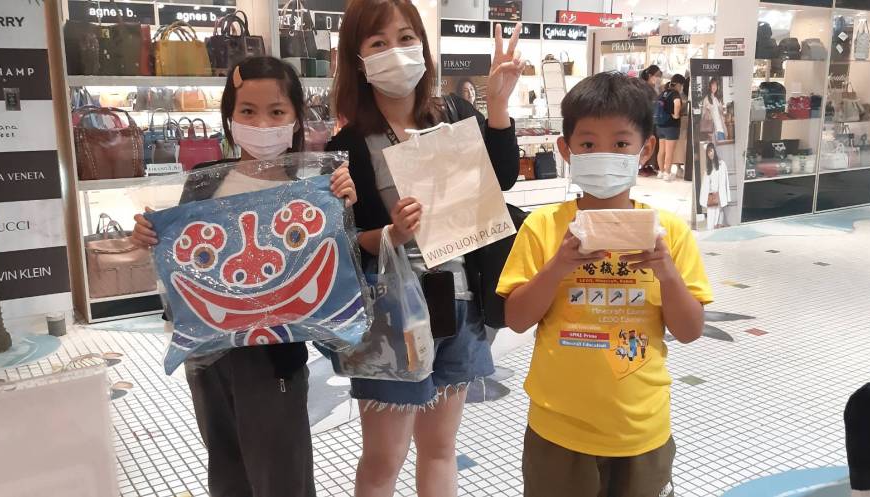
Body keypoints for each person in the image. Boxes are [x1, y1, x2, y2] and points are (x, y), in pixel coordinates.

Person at [129, 57, 357, 497]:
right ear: (230, 118)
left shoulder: (314, 186)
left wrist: (346, 207)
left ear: (296, 119)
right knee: (227, 469)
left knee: (282, 476)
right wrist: (149, 236)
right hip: (209, 356)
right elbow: (182, 262)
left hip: (274, 359)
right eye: (247, 111)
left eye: (276, 111)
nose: (262, 124)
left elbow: (337, 271)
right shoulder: (204, 183)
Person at [325, 1, 522, 496]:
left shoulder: (454, 114)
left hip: (460, 302)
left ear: (424, 46)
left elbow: (502, 179)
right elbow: (342, 242)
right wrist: (390, 234)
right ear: (358, 59)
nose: (396, 51)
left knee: (440, 448)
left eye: (407, 37)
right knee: (384, 457)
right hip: (391, 315)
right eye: (379, 42)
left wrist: (499, 107)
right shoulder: (348, 145)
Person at [497, 72, 713, 497]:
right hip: (558, 427)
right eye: (588, 144)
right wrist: (558, 266)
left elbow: (690, 330)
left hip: (641, 428)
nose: (604, 155)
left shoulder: (668, 232)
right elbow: (516, 319)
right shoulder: (544, 226)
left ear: (645, 149)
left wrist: (667, 274)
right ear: (566, 150)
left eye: (620, 143)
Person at [656, 74, 685, 181]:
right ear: (678, 84)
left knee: (661, 150)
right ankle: (667, 174)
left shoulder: (663, 93)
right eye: (681, 85)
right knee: (669, 152)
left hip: (660, 126)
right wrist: (676, 115)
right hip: (671, 127)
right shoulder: (675, 93)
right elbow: (677, 104)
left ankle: (661, 172)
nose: (682, 88)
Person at [699, 143, 730, 230]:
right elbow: (705, 184)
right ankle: (710, 231)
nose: (710, 154)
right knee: (711, 216)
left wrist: (721, 194)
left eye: (711, 151)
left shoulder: (721, 164)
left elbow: (724, 181)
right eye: (708, 152)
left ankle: (715, 230)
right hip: (711, 195)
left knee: (718, 216)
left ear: (714, 151)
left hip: (719, 194)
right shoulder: (708, 168)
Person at [639, 65, 663, 177]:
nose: (659, 78)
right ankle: (642, 166)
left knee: (653, 142)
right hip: (645, 118)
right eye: (657, 76)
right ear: (650, 75)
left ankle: (649, 165)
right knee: (646, 141)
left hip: (655, 119)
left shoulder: (656, 88)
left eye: (660, 76)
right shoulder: (643, 87)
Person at [701, 76, 727, 142]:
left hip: (721, 129)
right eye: (713, 85)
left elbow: (722, 113)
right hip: (712, 130)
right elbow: (703, 116)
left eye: (716, 85)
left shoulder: (718, 98)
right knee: (714, 147)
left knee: (723, 146)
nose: (714, 87)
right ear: (710, 86)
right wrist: (707, 111)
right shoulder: (706, 99)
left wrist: (723, 109)